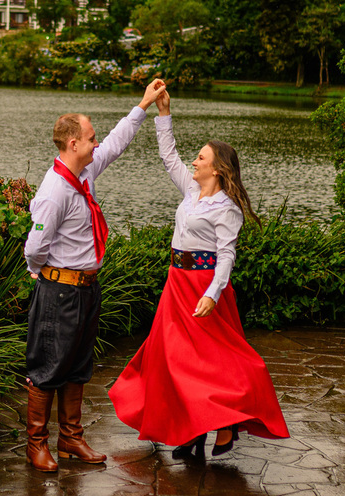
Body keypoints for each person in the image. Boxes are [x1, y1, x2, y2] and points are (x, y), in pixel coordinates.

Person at [108, 88, 289, 458]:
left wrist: (213, 293)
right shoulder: (190, 190)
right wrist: (164, 113)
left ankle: (222, 423)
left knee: (211, 364)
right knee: (171, 359)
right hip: (176, 283)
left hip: (204, 289)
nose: (194, 161)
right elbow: (167, 154)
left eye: (201, 157)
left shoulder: (228, 209)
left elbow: (226, 256)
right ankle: (193, 432)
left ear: (217, 168)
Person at [22, 79, 167, 472]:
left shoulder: (85, 173)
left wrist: (144, 104)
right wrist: (41, 276)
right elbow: (34, 246)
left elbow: (118, 141)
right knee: (48, 365)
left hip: (87, 288)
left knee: (78, 365)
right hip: (60, 290)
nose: (96, 142)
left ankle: (70, 439)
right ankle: (36, 444)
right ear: (73, 144)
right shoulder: (56, 190)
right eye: (90, 137)